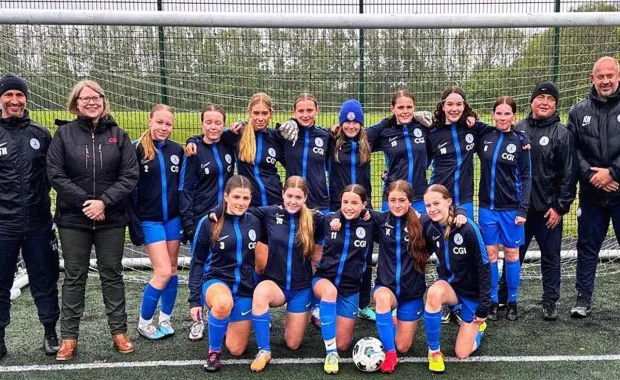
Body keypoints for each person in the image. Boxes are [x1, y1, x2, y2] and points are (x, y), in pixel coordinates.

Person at [47, 80, 139, 360]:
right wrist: (87, 203)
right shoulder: (63, 135)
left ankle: (119, 333)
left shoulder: (119, 135)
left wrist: (105, 202)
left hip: (111, 220)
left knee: (112, 274)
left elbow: (130, 175)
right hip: (74, 219)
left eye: (96, 97)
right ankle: (69, 338)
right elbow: (55, 174)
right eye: (84, 98)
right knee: (74, 276)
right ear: (75, 104)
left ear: (103, 100)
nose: (91, 102)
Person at [498, 81, 576, 320]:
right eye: (540, 98)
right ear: (531, 101)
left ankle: (550, 301)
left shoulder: (562, 133)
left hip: (548, 211)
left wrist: (559, 208)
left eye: (550, 99)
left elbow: (569, 174)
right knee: (513, 256)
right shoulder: (518, 128)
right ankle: (502, 298)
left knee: (551, 257)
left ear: (555, 105)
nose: (545, 103)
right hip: (519, 211)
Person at [0, 73, 60, 359]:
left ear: (26, 98)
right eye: (9, 95)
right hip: (3, 226)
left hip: (38, 223)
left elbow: (51, 176)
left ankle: (50, 332)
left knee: (44, 279)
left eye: (19, 95)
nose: (14, 100)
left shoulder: (40, 133)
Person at [247, 176, 324, 373]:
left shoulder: (315, 219)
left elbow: (341, 217)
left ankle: (292, 318)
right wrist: (216, 210)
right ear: (283, 194)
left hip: (301, 288)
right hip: (275, 284)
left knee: (293, 344)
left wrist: (364, 216)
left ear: (305, 197)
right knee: (260, 293)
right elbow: (238, 209)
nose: (293, 200)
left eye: (298, 197)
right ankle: (264, 350)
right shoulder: (269, 213)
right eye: (289, 195)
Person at [188, 175, 261, 372]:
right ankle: (214, 353)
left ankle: (225, 321)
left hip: (244, 287)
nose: (241, 203)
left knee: (237, 349)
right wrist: (195, 300)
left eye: (246, 198)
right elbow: (197, 262)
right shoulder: (209, 222)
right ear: (226, 196)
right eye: (236, 197)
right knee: (222, 304)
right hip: (216, 281)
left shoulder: (255, 220)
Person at [567, 56, 620, 318]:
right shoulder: (578, 111)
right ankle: (583, 298)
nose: (605, 80)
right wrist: (591, 175)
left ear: (618, 76)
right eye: (600, 76)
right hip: (591, 195)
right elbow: (572, 150)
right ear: (592, 79)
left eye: (610, 75)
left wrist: (613, 172)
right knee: (587, 247)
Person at [361, 180, 429, 374]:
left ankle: (395, 326)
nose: (397, 204)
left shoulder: (422, 222)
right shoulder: (380, 220)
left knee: (404, 347)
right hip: (387, 288)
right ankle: (390, 354)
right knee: (381, 298)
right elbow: (353, 209)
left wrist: (461, 213)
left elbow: (446, 214)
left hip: (412, 293)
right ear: (386, 201)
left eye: (402, 200)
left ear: (410, 200)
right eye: (392, 200)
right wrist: (337, 218)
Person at [127, 104, 184, 339]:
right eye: (159, 122)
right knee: (161, 271)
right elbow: (129, 192)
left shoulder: (178, 151)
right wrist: (135, 224)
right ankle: (144, 322)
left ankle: (165, 318)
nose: (163, 127)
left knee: (172, 270)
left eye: (168, 123)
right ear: (150, 121)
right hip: (150, 221)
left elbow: (181, 187)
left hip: (173, 219)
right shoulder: (135, 150)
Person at [421, 184, 491, 374]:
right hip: (450, 287)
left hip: (472, 293)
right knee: (434, 293)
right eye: (428, 205)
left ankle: (479, 327)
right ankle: (434, 352)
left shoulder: (468, 228)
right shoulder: (428, 224)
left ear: (449, 202)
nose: (432, 209)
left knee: (462, 353)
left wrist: (484, 307)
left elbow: (485, 269)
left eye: (436, 203)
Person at [476, 97, 531, 321]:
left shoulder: (521, 142)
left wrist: (523, 210)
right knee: (489, 255)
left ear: (514, 117)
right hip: (487, 209)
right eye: (498, 113)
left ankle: (512, 301)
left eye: (507, 114)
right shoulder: (485, 137)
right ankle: (492, 300)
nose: (502, 118)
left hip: (511, 209)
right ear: (493, 115)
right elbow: (471, 124)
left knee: (511, 254)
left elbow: (527, 177)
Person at [313, 184, 374, 374]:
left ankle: (331, 329)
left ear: (364, 204)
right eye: (345, 202)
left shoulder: (371, 223)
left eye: (355, 203)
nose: (349, 206)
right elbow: (302, 213)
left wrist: (460, 210)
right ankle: (330, 353)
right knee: (330, 292)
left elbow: (399, 217)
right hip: (324, 280)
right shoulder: (328, 220)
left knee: (344, 344)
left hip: (350, 289)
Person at [327, 99, 375, 321]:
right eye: (346, 121)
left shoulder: (369, 140)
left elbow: (390, 123)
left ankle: (364, 303)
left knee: (363, 258)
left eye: (355, 122)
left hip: (363, 209)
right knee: (335, 254)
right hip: (339, 208)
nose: (351, 126)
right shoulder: (331, 142)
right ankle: (329, 299)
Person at [366, 90, 433, 214]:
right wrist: (385, 122)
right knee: (392, 233)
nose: (405, 111)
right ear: (392, 109)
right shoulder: (386, 131)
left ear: (414, 108)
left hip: (419, 196)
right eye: (400, 107)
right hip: (393, 196)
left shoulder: (423, 127)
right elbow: (364, 138)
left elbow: (431, 152)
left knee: (419, 232)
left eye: (409, 107)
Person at [179, 105, 236, 244]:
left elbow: (244, 127)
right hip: (202, 218)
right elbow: (184, 189)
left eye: (218, 123)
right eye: (208, 122)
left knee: (224, 263)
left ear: (224, 125)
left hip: (226, 216)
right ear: (201, 124)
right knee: (202, 264)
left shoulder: (229, 144)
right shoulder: (193, 151)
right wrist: (188, 223)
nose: (213, 127)